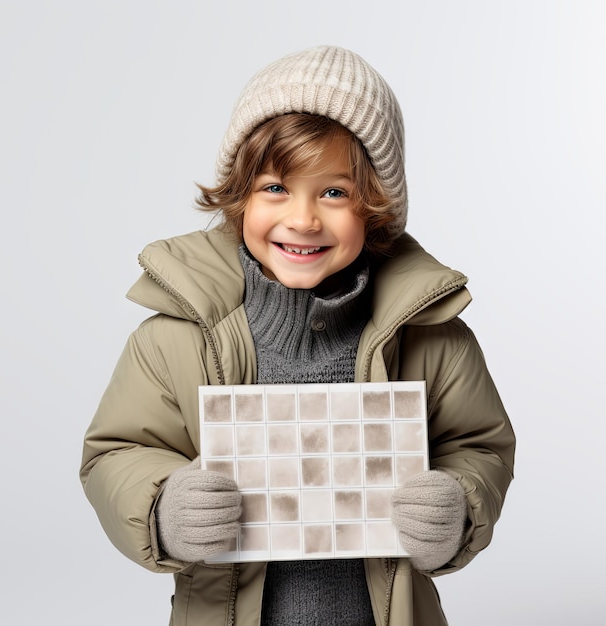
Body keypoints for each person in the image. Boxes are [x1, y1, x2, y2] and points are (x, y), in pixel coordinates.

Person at [80, 45, 515, 626]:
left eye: (334, 192)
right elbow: (116, 452)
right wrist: (160, 508)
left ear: (377, 208)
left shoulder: (431, 336)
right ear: (239, 195)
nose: (304, 219)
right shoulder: (174, 339)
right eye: (276, 188)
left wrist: (458, 507)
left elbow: (480, 446)